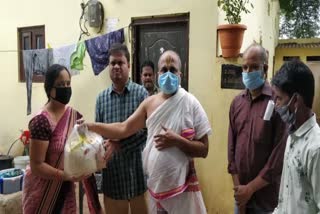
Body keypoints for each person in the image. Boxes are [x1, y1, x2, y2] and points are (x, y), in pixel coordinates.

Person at [81, 50, 212, 213]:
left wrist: (177, 141)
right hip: (155, 189)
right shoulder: (149, 103)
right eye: (164, 70)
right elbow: (123, 128)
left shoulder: (190, 103)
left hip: (182, 189)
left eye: (173, 70)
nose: (168, 74)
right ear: (158, 74)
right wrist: (90, 126)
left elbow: (204, 149)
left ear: (180, 74)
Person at [22, 64, 102, 214]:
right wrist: (64, 175)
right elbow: (36, 165)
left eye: (68, 84)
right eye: (60, 85)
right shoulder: (41, 121)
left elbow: (84, 151)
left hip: (66, 193)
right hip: (42, 194)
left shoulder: (75, 117)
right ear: (49, 89)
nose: (65, 88)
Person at [228, 43, 287, 214]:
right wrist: (240, 191)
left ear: (265, 68)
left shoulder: (278, 102)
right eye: (244, 67)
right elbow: (231, 151)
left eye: (254, 67)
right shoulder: (237, 103)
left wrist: (250, 189)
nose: (247, 72)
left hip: (266, 200)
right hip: (240, 197)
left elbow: (278, 157)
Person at [95, 43, 148, 214]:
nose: (116, 66)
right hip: (112, 177)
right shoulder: (101, 99)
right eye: (112, 63)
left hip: (137, 176)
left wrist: (119, 145)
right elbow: (99, 135)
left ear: (129, 66)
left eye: (120, 62)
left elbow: (146, 132)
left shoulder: (141, 94)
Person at [271, 60, 320, 214]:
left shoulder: (315, 148)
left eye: (279, 98)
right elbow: (286, 197)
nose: (275, 104)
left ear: (296, 101)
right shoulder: (292, 135)